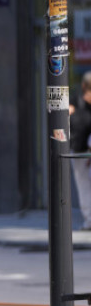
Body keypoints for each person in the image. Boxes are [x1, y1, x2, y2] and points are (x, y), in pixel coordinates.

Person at [69, 72, 91, 230]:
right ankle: (89, 219)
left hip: (88, 149)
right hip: (78, 150)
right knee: (83, 185)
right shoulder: (75, 101)